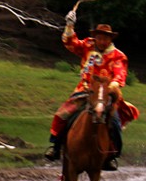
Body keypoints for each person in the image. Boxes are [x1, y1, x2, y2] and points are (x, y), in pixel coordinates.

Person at [44, 11, 136, 171]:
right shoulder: (87, 45)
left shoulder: (118, 56)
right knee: (61, 114)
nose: (102, 41)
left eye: (105, 38)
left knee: (114, 122)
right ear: (96, 37)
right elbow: (70, 43)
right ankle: (55, 146)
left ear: (110, 39)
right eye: (99, 37)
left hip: (106, 94)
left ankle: (112, 155)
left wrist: (112, 86)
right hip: (84, 91)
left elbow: (120, 74)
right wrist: (70, 25)